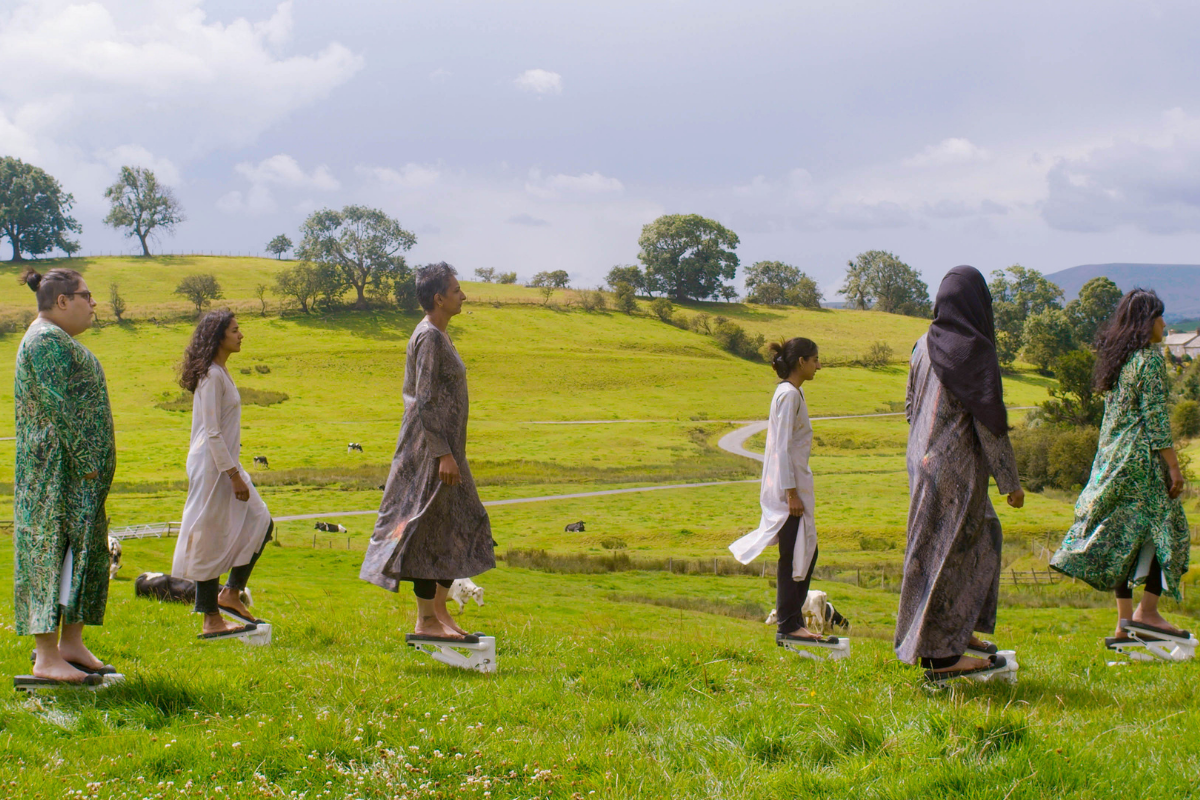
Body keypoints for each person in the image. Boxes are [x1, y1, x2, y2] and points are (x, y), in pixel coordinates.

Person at [894, 266, 1025, 680]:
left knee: (982, 536)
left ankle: (957, 631)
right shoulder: (974, 350)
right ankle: (939, 657)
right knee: (947, 557)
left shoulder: (922, 344)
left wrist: (923, 453)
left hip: (924, 462)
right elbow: (990, 422)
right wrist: (1011, 482)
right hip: (956, 471)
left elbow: (910, 407)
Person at [360, 262, 495, 640]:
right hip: (430, 451)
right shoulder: (430, 338)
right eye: (456, 290)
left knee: (454, 524)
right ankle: (427, 620)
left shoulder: (439, 335)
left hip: (445, 449)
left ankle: (439, 613)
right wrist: (443, 454)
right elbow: (424, 399)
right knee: (426, 528)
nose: (463, 295)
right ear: (439, 298)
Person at [1051, 289, 1190, 642]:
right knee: (1169, 531)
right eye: (1159, 316)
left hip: (1113, 461)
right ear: (1146, 323)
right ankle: (1149, 613)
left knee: (1124, 536)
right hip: (1141, 462)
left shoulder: (1119, 362)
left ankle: (1124, 624)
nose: (1164, 323)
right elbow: (1156, 418)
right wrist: (1173, 467)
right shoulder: (1150, 360)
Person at [14, 267, 117, 683]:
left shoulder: (57, 340)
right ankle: (46, 656)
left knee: (82, 555)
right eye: (86, 296)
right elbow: (63, 408)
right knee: (50, 554)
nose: (93, 304)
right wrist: (89, 460)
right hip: (55, 475)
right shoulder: (45, 341)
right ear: (62, 301)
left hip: (77, 476)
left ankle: (71, 645)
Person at [172, 311, 274, 640]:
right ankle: (210, 617)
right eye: (235, 330)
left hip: (225, 463)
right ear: (218, 337)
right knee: (208, 533)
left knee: (262, 521)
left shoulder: (221, 372)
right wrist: (234, 475)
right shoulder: (211, 376)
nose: (241, 334)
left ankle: (230, 593)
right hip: (214, 467)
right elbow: (212, 433)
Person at [730, 337, 825, 641]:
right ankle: (789, 623)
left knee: (802, 550)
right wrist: (791, 493)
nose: (818, 366)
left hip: (793, 486)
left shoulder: (791, 393)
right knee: (795, 553)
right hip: (789, 490)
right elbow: (782, 448)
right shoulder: (789, 396)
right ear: (801, 363)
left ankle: (792, 621)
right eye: (814, 360)